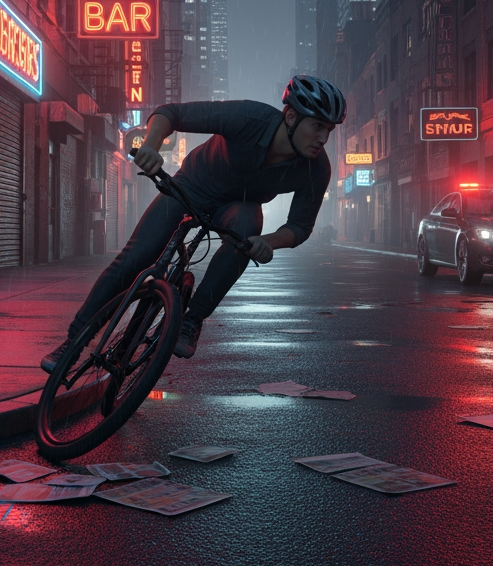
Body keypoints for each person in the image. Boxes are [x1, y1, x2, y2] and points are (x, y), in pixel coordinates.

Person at [41, 76, 345, 372]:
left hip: (238, 208)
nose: (323, 138)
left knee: (246, 230)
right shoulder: (248, 117)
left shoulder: (316, 169)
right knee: (134, 258)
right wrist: (150, 146)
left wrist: (270, 242)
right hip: (192, 187)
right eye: (318, 126)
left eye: (329, 130)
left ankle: (191, 320)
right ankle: (73, 342)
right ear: (291, 116)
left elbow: (300, 226)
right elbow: (170, 113)